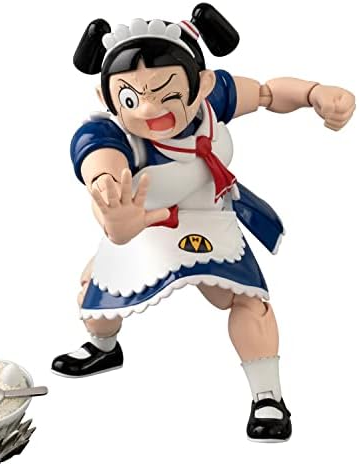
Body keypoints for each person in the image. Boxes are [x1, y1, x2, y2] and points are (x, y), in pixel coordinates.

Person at [51, 4, 355, 441]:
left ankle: (267, 396)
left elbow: (268, 93)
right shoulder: (109, 135)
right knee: (95, 299)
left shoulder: (213, 104)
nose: (150, 108)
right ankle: (103, 346)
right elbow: (101, 172)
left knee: (251, 302)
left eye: (167, 93)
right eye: (132, 98)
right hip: (147, 231)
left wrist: (315, 93)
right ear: (107, 99)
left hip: (211, 221)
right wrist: (113, 209)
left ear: (203, 84)